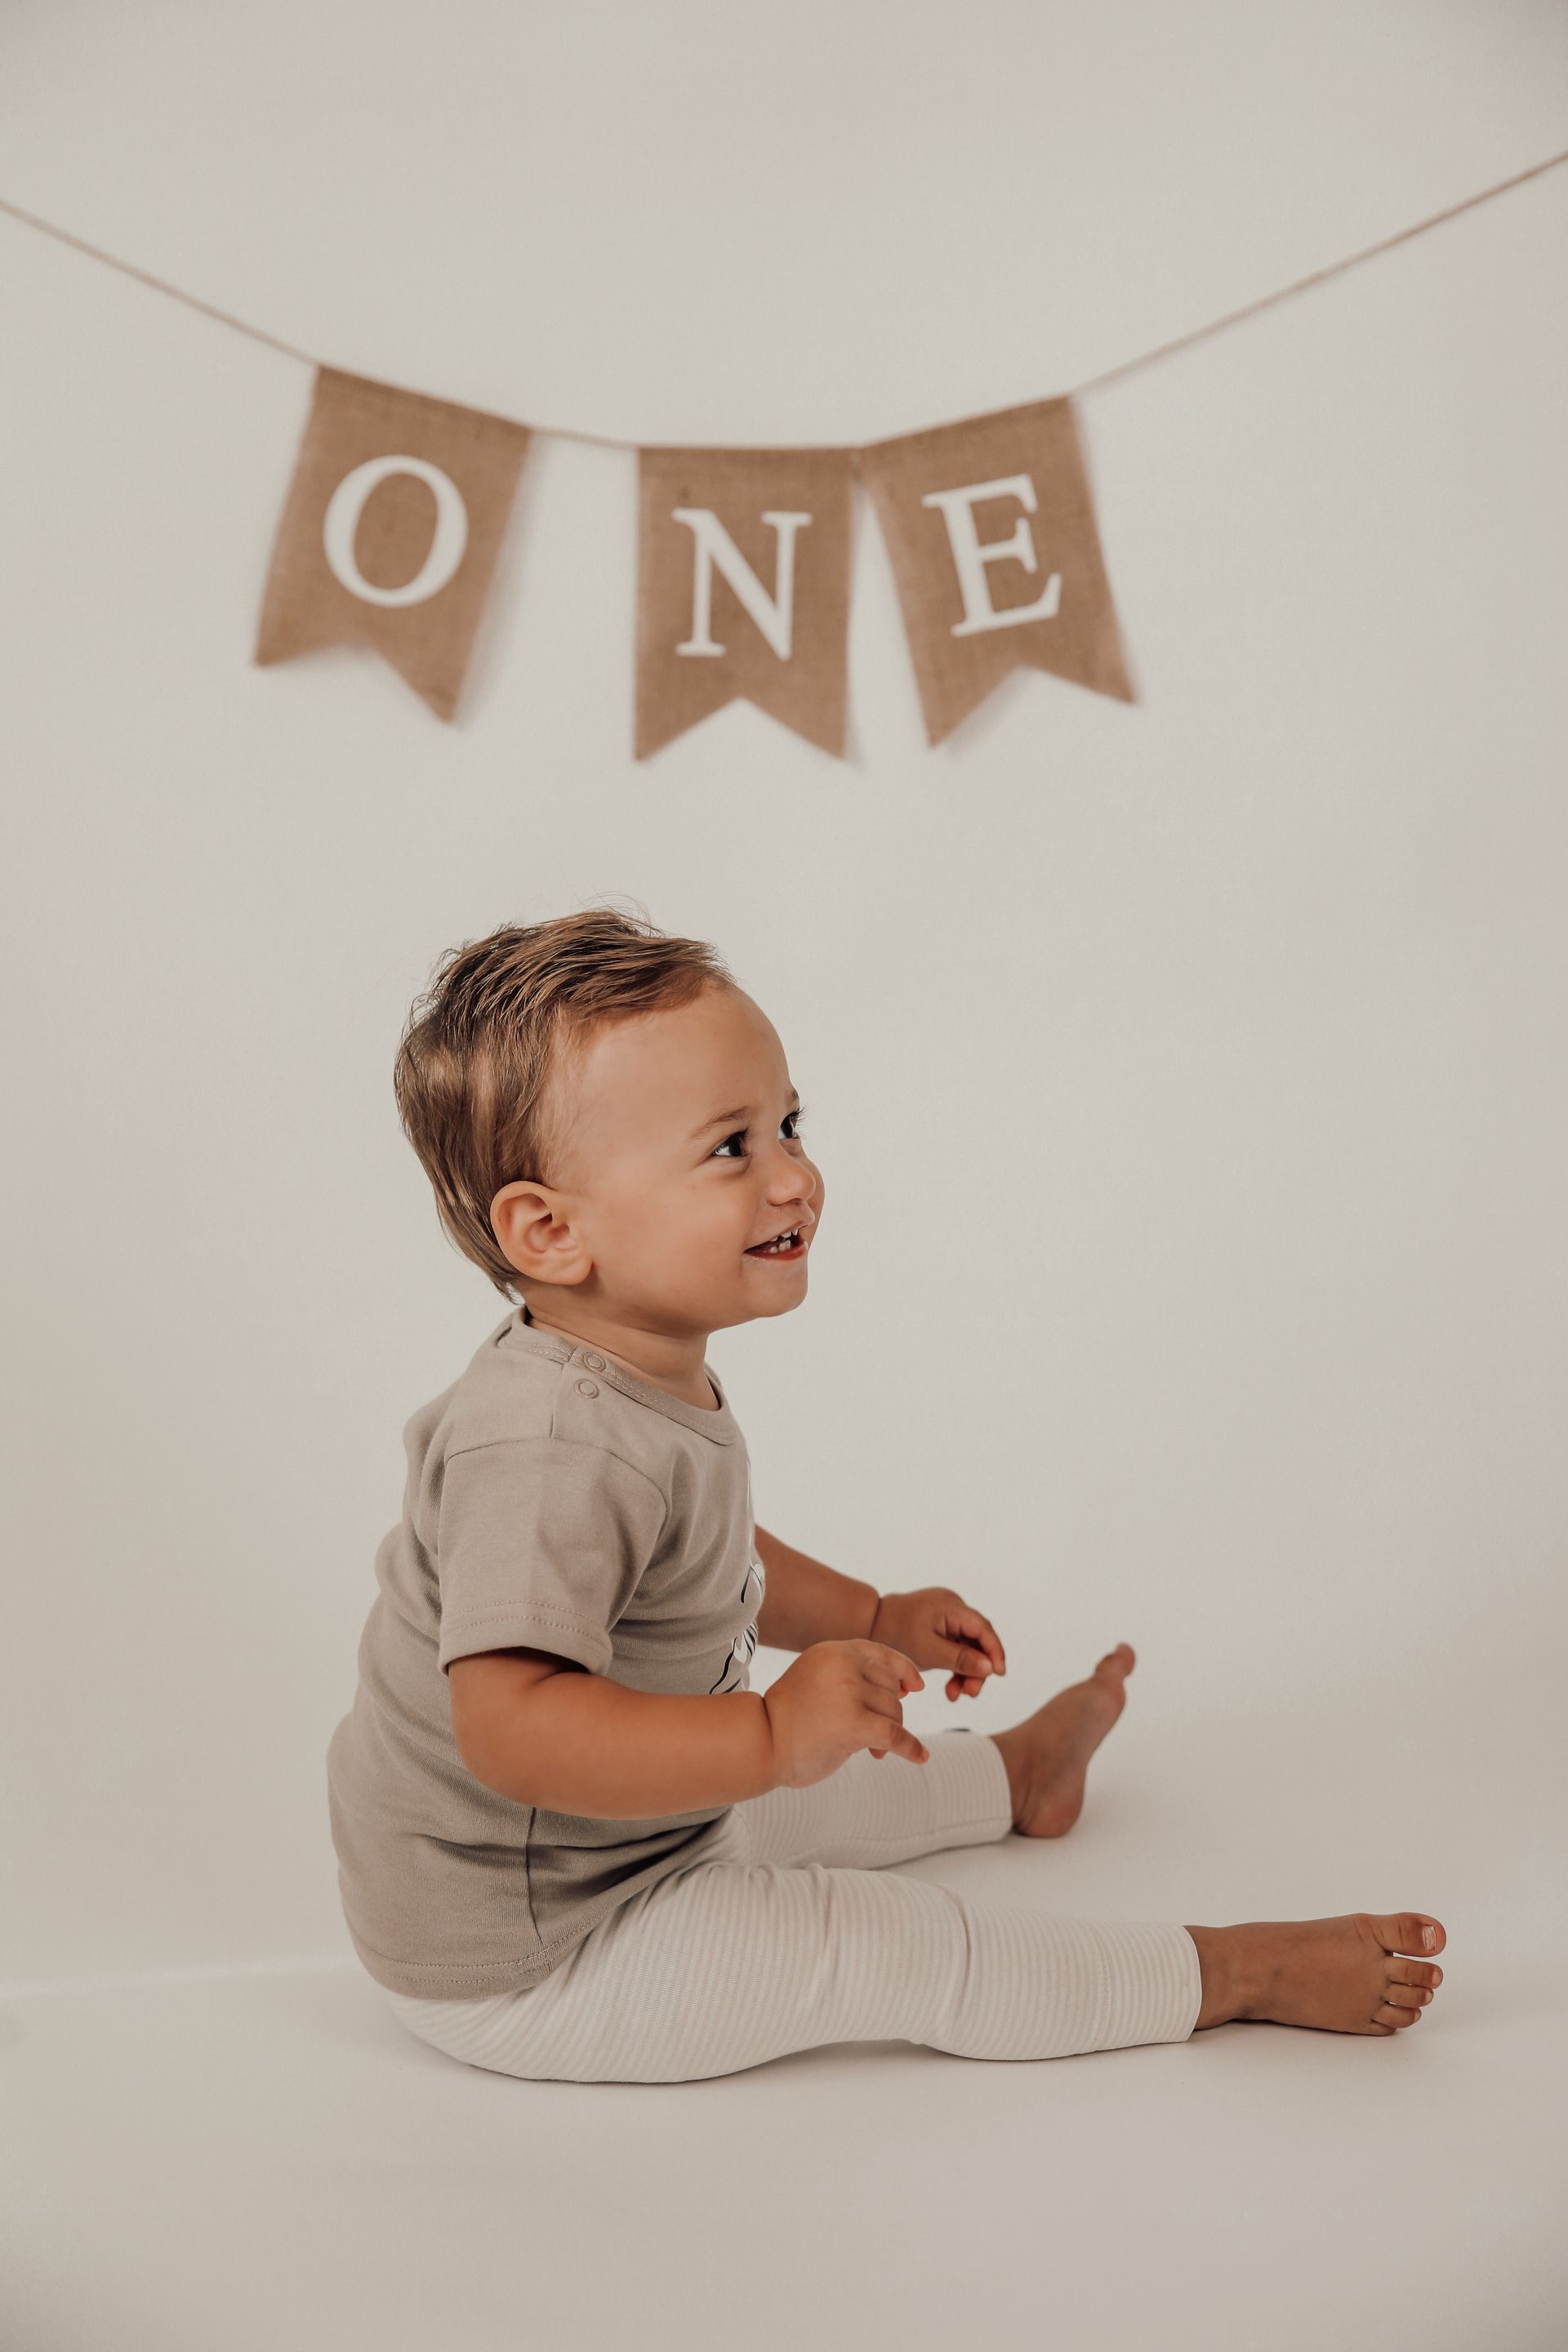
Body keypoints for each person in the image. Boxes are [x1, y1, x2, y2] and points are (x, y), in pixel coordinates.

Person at [326, 906, 1446, 2083]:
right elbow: (507, 1729)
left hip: (615, 1843)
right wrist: (767, 1731)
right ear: (552, 1230)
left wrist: (868, 1617)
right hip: (533, 1950)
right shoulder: (547, 1444)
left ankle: (1014, 1776)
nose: (797, 1176)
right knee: (894, 1943)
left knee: (823, 1790)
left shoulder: (626, 1375)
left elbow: (699, 1555)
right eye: (730, 1148)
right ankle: (1230, 1974)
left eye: (788, 1125)